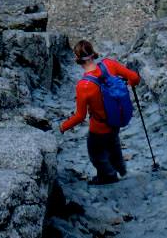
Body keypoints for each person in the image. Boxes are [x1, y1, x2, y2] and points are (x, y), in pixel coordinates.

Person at [60, 39, 141, 185]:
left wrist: (63, 127)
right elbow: (134, 77)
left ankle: (108, 176)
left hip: (98, 127)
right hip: (115, 119)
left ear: (77, 59)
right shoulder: (110, 64)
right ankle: (121, 168)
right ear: (93, 53)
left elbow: (80, 116)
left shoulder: (83, 86)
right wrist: (129, 85)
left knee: (96, 154)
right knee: (113, 143)